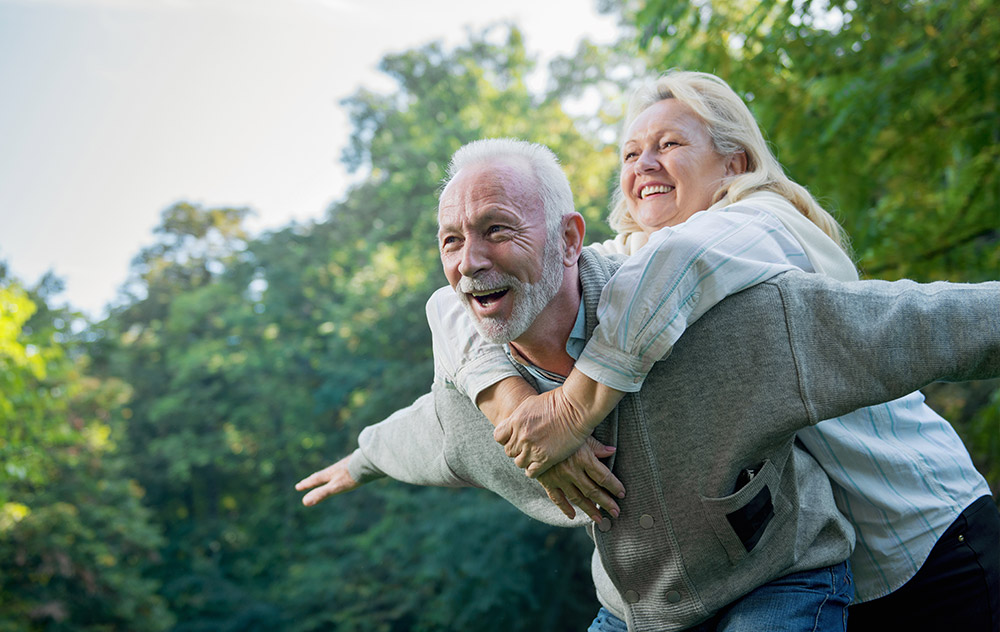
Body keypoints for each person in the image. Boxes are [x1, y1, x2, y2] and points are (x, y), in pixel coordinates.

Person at [296, 138, 1000, 631]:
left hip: (780, 580)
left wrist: (576, 407)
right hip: (642, 611)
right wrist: (361, 457)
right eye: (452, 240)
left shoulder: (721, 323)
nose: (469, 261)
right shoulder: (477, 396)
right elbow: (421, 434)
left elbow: (916, 323)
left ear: (571, 240)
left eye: (496, 229)